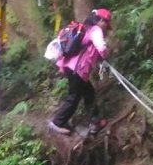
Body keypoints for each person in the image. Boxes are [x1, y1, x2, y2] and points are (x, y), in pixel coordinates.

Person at [47, 8, 112, 136]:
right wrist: (106, 56)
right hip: (78, 69)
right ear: (101, 21)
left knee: (89, 93)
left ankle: (95, 122)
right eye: (106, 24)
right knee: (74, 97)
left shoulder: (86, 29)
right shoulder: (96, 30)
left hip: (71, 67)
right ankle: (57, 122)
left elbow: (88, 50)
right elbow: (101, 47)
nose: (106, 28)